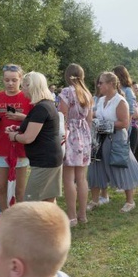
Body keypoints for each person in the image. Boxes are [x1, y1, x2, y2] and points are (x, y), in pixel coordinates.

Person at [87, 72, 138, 213]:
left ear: (111, 84)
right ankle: (95, 199)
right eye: (98, 83)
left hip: (116, 139)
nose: (98, 85)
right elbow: (96, 114)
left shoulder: (120, 101)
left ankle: (130, 201)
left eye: (101, 83)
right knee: (96, 167)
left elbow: (125, 123)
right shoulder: (101, 100)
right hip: (99, 140)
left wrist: (102, 124)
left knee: (121, 167)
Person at [6, 72, 62, 203]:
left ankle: (36, 224)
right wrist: (19, 128)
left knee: (32, 202)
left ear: (31, 86)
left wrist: (14, 136)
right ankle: (53, 223)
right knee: (48, 200)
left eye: (24, 86)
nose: (22, 89)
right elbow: (39, 128)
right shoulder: (46, 105)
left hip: (45, 161)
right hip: (51, 159)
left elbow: (28, 138)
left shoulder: (41, 108)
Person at [0, 65, 30, 215]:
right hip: (0, 148)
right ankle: (5, 218)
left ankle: (21, 218)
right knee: (2, 187)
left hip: (20, 148)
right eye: (7, 80)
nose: (10, 83)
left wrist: (22, 117)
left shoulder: (27, 97)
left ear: (20, 80)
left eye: (14, 80)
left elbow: (36, 122)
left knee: (20, 189)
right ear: (3, 80)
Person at [59, 63, 93, 227]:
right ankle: (83, 214)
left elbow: (62, 115)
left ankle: (72, 216)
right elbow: (89, 119)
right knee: (81, 178)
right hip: (84, 135)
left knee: (68, 179)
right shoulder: (87, 93)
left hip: (70, 134)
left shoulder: (66, 92)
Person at [114, 66, 138, 171]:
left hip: (125, 126)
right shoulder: (116, 90)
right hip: (116, 125)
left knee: (125, 153)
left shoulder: (128, 91)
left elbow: (130, 113)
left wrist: (126, 128)